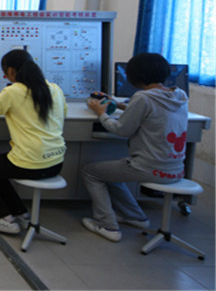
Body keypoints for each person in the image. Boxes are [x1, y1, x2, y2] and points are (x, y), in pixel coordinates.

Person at [81, 53, 188, 243]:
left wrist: (101, 113)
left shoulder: (143, 98)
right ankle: (135, 216)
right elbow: (151, 110)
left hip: (150, 167)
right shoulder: (179, 95)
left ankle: (107, 225)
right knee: (111, 172)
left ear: (135, 76)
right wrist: (119, 105)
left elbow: (121, 130)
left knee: (91, 172)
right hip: (176, 169)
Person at [0, 49, 67, 234]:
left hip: (29, 163)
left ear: (10, 71)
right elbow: (63, 113)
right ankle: (19, 212)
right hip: (56, 163)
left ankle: (2, 218)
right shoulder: (55, 89)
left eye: (5, 72)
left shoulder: (13, 91)